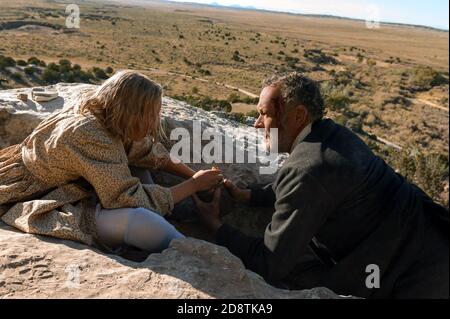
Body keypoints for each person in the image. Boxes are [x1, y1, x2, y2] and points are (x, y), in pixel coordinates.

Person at [194, 72, 449, 299]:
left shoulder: (309, 168)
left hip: (415, 275)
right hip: (429, 243)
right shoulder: (333, 135)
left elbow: (271, 262)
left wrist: (213, 225)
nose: (257, 123)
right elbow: (308, 189)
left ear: (298, 116)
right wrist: (248, 196)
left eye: (265, 113)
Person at [0, 70, 223, 255]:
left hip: (66, 181)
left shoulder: (100, 108)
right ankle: (192, 255)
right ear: (130, 111)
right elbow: (126, 198)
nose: (155, 121)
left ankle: (168, 215)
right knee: (143, 221)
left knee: (138, 170)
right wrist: (193, 185)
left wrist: (193, 175)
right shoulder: (90, 134)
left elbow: (146, 151)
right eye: (151, 114)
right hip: (34, 193)